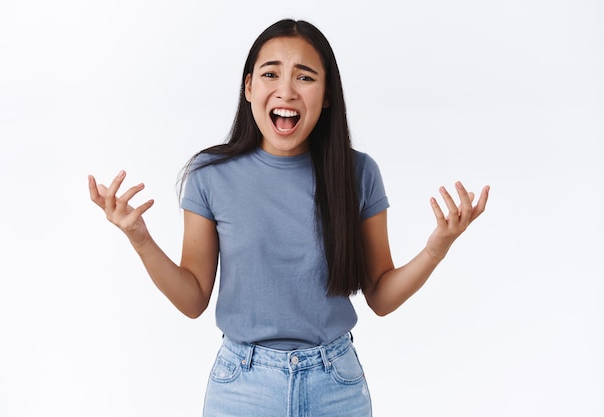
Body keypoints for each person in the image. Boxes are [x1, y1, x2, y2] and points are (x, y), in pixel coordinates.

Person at [88, 18, 489, 417]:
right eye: (270, 74)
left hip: (336, 385)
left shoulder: (358, 174)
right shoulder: (210, 175)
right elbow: (193, 298)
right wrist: (140, 238)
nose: (286, 90)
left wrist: (436, 249)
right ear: (249, 87)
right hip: (241, 387)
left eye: (305, 77)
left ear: (327, 94)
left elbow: (381, 297)